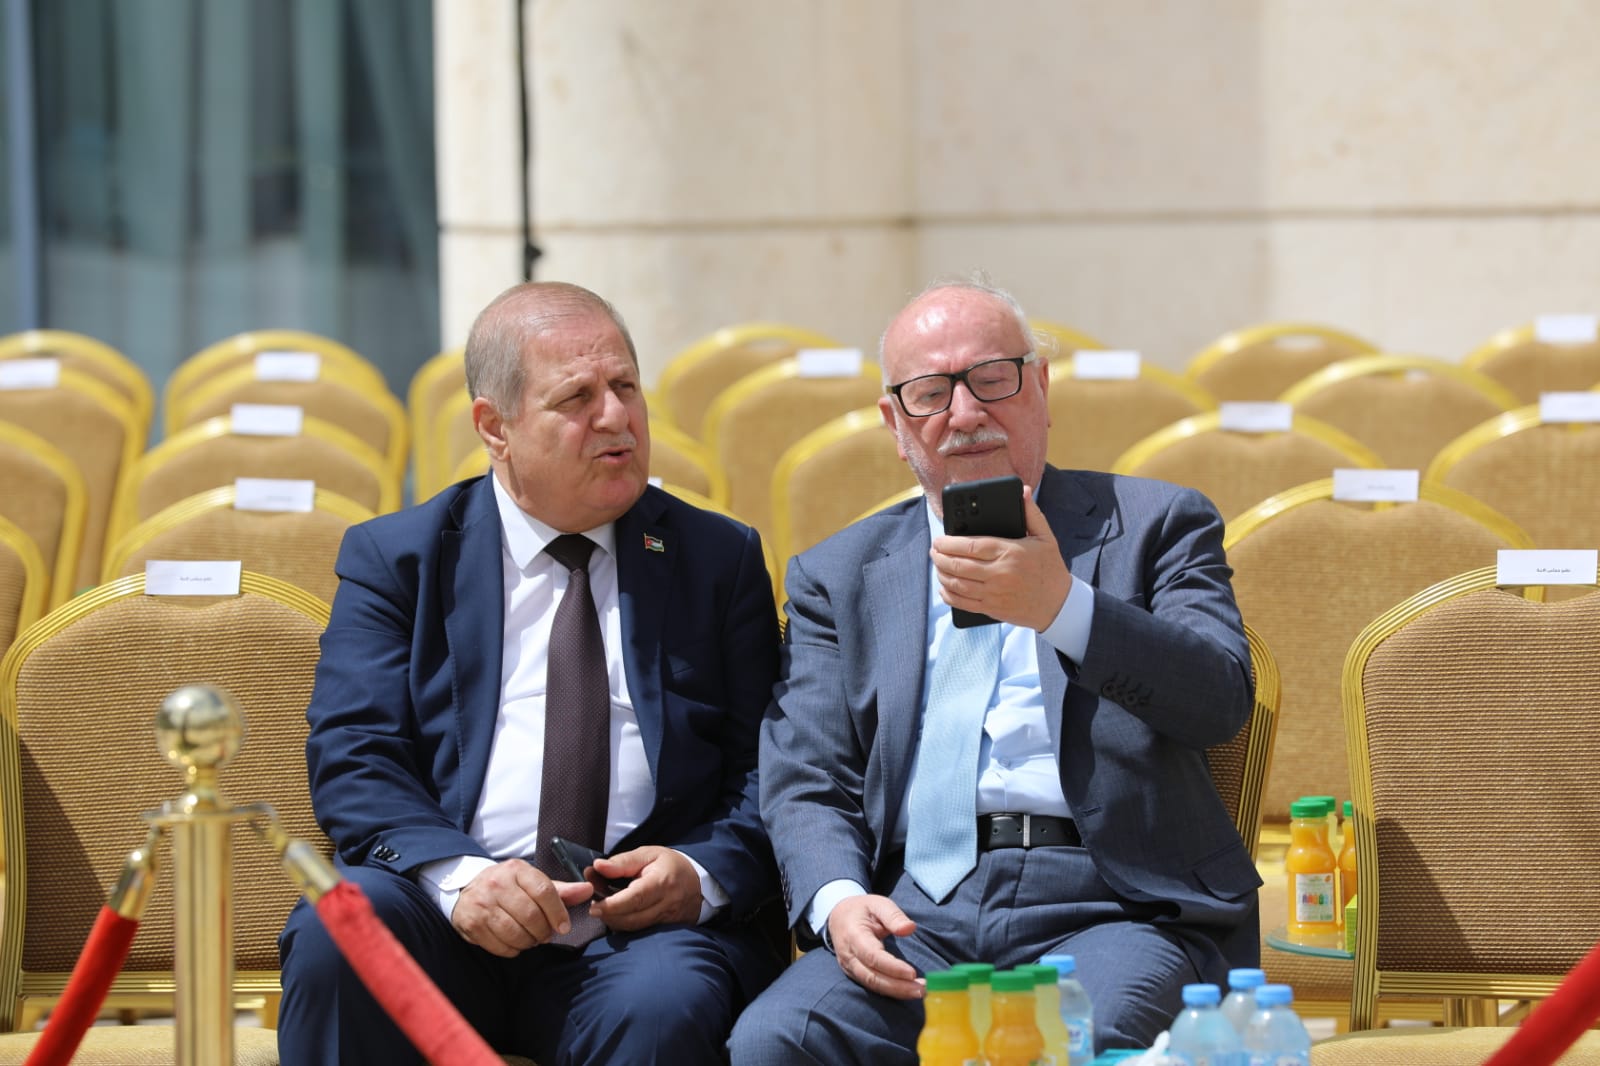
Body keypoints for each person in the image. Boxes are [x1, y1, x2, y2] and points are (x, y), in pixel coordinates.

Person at [729, 276, 1260, 1064]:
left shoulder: (1156, 524)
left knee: (1070, 1046)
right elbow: (807, 772)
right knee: (776, 1041)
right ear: (895, 424)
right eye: (929, 393)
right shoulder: (837, 576)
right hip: (915, 912)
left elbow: (1219, 698)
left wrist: (1063, 607)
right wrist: (840, 901)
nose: (966, 413)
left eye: (992, 379)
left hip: (1112, 905)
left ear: (1041, 388)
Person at [278, 281, 783, 1065]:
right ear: (495, 427)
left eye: (625, 387)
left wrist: (698, 870)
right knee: (343, 929)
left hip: (634, 938)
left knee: (666, 1002)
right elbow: (355, 757)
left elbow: (770, 768)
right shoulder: (400, 559)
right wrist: (460, 880)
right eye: (577, 397)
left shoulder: (718, 559)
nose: (615, 417)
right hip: (442, 911)